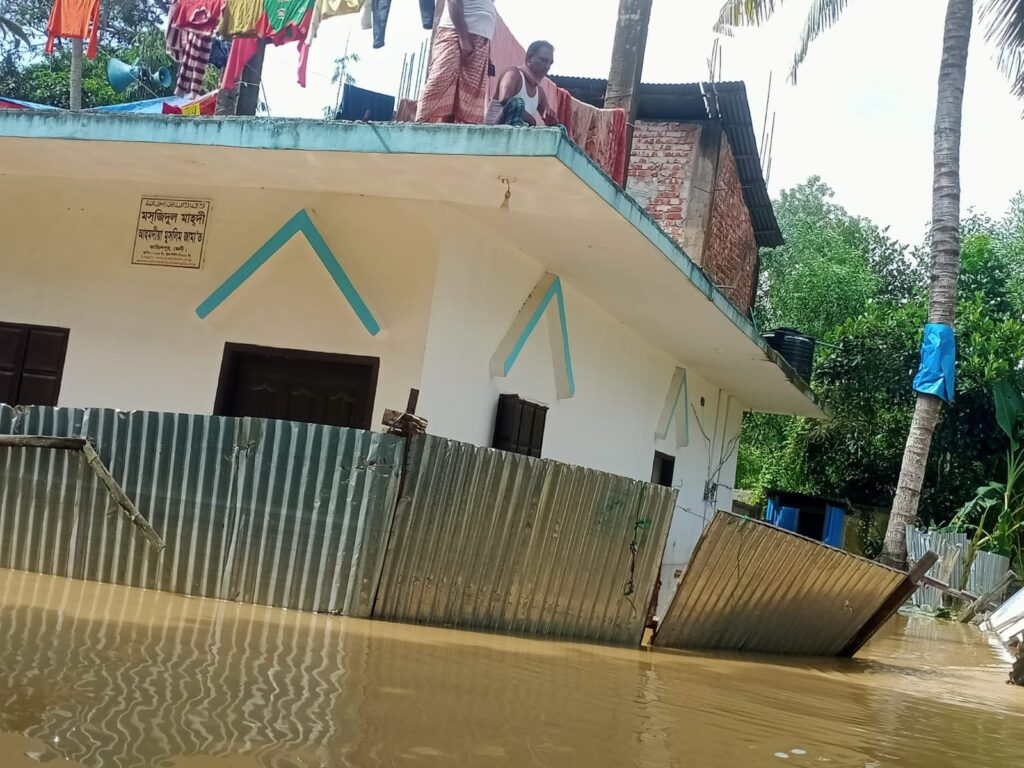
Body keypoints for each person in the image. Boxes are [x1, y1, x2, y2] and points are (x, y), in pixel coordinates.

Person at [415, 0, 497, 124]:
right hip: (454, 31)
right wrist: (463, 37)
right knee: (439, 82)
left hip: (482, 37)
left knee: (469, 97)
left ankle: (461, 134)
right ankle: (419, 128)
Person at [492, 40, 558, 127]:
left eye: (550, 63)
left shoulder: (540, 92)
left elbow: (548, 119)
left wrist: (552, 119)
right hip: (493, 131)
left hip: (518, 134)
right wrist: (531, 120)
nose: (547, 66)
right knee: (517, 103)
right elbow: (505, 99)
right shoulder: (513, 73)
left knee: (560, 128)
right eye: (543, 60)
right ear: (529, 58)